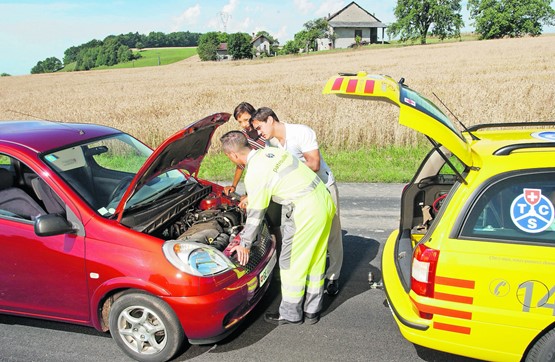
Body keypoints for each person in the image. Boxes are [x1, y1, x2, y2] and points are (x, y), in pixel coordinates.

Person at [220, 131, 335, 325]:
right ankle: (312, 311)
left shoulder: (255, 172)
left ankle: (290, 314)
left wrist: (244, 244)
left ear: (233, 156)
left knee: (290, 262)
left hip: (305, 211)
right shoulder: (271, 153)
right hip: (323, 201)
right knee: (316, 258)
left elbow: (256, 215)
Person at [250, 107, 343, 296]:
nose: (259, 134)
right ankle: (311, 276)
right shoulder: (271, 143)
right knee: (304, 235)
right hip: (299, 195)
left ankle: (333, 277)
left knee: (332, 234)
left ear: (270, 120)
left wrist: (286, 173)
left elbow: (314, 164)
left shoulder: (301, 132)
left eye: (259, 128)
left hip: (323, 186)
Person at [223, 102, 266, 196]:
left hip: (269, 183)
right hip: (254, 184)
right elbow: (241, 163)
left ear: (254, 115)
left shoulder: (266, 132)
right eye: (240, 122)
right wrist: (233, 186)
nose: (244, 125)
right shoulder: (242, 136)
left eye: (246, 120)